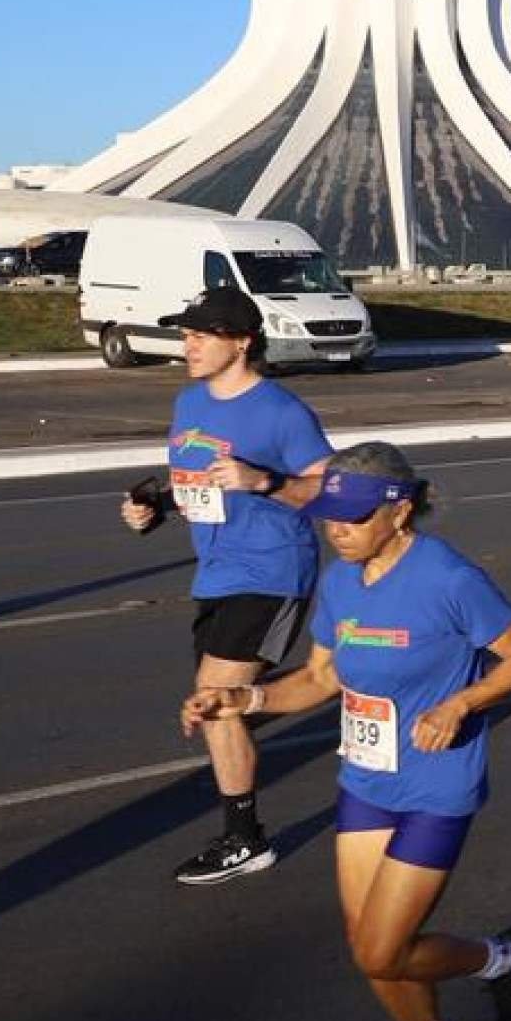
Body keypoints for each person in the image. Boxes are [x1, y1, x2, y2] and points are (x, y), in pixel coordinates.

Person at [181, 441, 511, 1021]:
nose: (335, 527)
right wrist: (243, 700)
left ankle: (503, 957)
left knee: (382, 949)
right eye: (329, 515)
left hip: (436, 782)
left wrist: (461, 703)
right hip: (367, 778)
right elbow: (321, 677)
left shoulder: (448, 577)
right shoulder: (341, 580)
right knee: (368, 942)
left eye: (351, 516)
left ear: (400, 511)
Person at [123, 287, 333, 887]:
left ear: (241, 341)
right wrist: (155, 510)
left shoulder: (281, 412)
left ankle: (245, 840)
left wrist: (263, 481)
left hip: (272, 569)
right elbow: (191, 485)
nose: (187, 344)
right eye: (185, 335)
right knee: (222, 706)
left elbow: (328, 489)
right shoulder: (189, 404)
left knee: (215, 698)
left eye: (201, 335)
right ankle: (315, 693)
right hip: (215, 571)